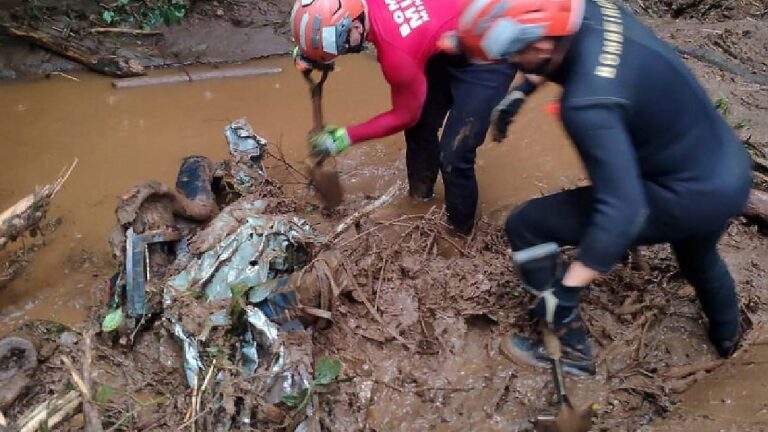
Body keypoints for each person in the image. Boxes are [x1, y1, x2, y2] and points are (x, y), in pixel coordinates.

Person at [454, 0, 752, 375]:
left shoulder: (586, 105)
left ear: (541, 45)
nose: (511, 66)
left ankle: (572, 351)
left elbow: (624, 211)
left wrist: (567, 290)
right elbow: (559, 51)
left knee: (526, 225)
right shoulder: (597, 11)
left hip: (683, 194)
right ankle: (729, 342)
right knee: (699, 257)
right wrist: (523, 92)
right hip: (726, 170)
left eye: (513, 57)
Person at [290, 0, 518, 234]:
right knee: (420, 130)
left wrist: (345, 137)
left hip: (491, 54)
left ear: (356, 26)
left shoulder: (396, 55)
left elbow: (405, 115)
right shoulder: (362, 10)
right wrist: (310, 54)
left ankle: (460, 236)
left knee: (454, 156)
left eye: (338, 45)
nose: (339, 52)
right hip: (447, 41)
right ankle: (419, 200)